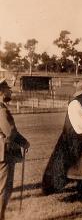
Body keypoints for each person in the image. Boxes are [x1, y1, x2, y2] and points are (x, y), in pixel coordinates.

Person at [42, 80, 82, 197]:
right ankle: (53, 187)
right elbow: (81, 124)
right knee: (66, 165)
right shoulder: (75, 104)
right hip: (74, 141)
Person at [0, 79, 30, 219]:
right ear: (1, 92)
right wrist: (23, 142)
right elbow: (10, 132)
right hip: (3, 153)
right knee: (4, 189)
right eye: (8, 89)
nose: (10, 91)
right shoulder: (1, 110)